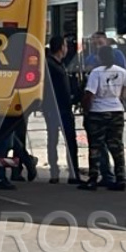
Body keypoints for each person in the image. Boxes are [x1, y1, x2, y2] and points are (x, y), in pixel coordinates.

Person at [79, 45, 126, 192]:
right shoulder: (120, 71)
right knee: (117, 146)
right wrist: (122, 96)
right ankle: (121, 178)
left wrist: (86, 110)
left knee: (96, 146)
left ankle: (93, 178)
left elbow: (90, 94)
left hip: (98, 112)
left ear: (99, 57)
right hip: (116, 111)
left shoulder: (96, 73)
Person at [42, 36, 81, 184]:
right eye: (65, 45)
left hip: (64, 107)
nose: (67, 49)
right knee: (55, 139)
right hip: (54, 108)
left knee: (67, 140)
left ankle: (72, 172)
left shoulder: (60, 64)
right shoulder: (49, 65)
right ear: (60, 48)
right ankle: (56, 171)